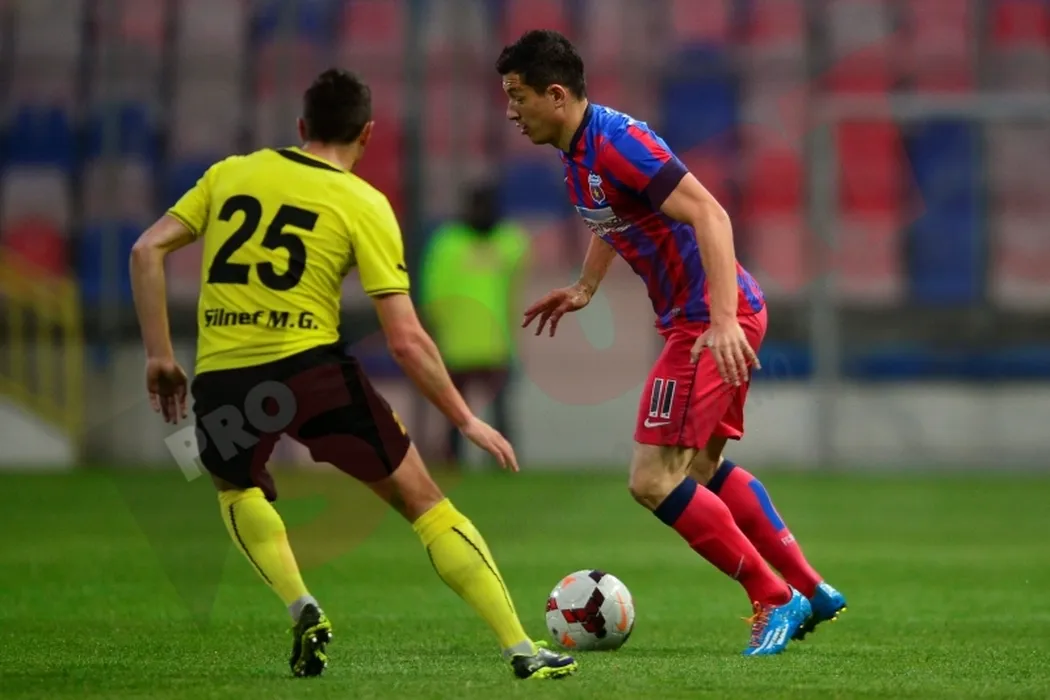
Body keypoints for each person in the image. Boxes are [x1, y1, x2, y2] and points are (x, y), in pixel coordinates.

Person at [128, 68, 577, 681]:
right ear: (366, 133)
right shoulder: (363, 203)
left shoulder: (229, 174)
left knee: (235, 489)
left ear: (301, 126)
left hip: (225, 376)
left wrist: (160, 355)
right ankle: (520, 647)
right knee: (426, 504)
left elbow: (145, 250)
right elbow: (406, 339)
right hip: (312, 373)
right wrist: (465, 418)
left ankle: (301, 605)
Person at [496, 30, 846, 657]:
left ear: (556, 95)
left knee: (653, 480)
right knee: (701, 470)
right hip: (718, 314)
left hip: (705, 323)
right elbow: (615, 215)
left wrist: (721, 321)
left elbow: (712, 214)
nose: (511, 112)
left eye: (518, 97)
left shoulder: (618, 143)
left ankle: (773, 597)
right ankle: (810, 587)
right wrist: (586, 285)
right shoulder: (581, 151)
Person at [420, 183, 529, 464]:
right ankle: (492, 462)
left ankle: (476, 461)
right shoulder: (504, 242)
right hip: (476, 343)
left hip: (479, 343)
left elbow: (432, 294)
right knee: (468, 411)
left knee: (473, 411)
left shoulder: (449, 243)